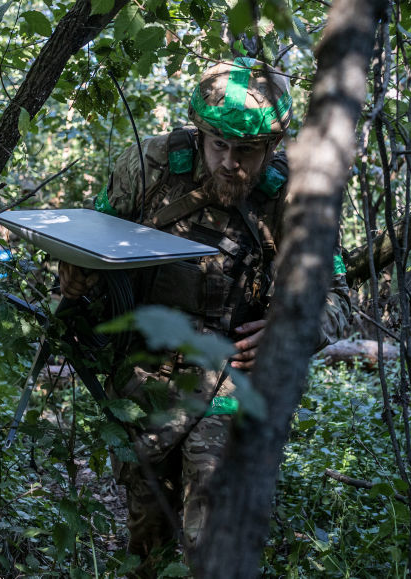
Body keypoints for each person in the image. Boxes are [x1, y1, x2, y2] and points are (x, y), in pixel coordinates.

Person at [58, 57, 351, 574]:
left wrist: (297, 327)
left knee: (211, 521)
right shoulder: (147, 166)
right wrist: (75, 273)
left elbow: (337, 295)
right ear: (200, 133)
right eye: (219, 145)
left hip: (234, 376)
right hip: (144, 374)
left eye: (247, 151)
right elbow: (90, 238)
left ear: (274, 148)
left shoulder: (295, 196)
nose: (230, 163)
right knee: (147, 531)